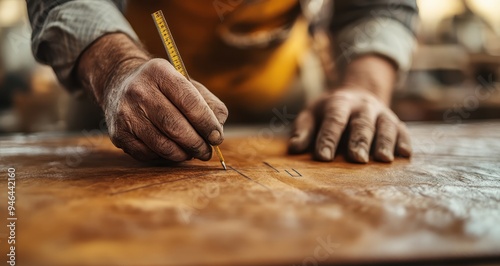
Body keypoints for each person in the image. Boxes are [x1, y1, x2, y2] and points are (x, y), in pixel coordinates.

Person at [26, 0, 418, 163]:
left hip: (287, 96)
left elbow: (377, 5)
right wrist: (114, 68)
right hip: (122, 93)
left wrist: (364, 88)